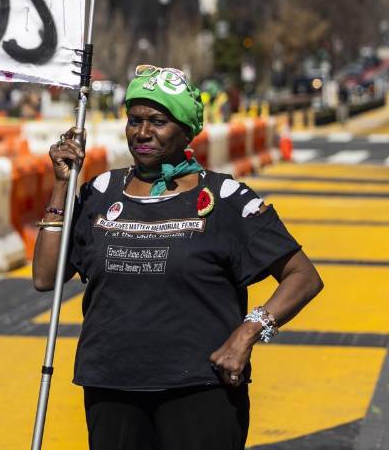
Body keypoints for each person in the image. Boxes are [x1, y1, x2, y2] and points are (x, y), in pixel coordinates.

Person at [33, 65, 324, 450]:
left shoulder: (227, 199)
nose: (143, 132)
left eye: (158, 121)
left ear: (186, 130)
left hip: (200, 390)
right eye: (134, 120)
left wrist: (247, 334)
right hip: (111, 385)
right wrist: (61, 187)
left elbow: (303, 276)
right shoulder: (100, 192)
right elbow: (46, 277)